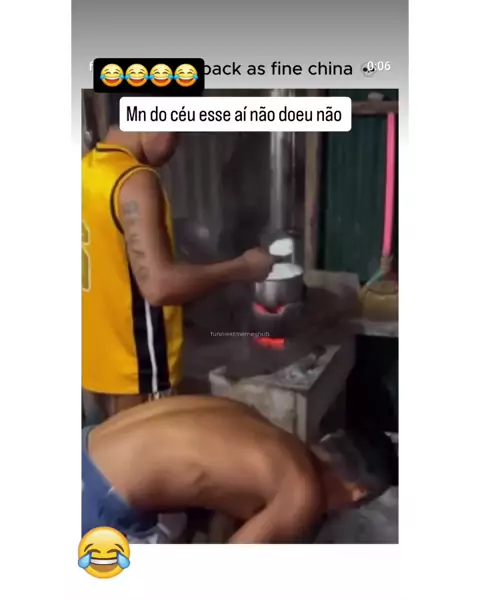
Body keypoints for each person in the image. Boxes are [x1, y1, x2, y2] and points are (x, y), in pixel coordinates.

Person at [82, 95, 274, 422]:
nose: (177, 143)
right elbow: (159, 287)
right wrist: (242, 267)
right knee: (150, 454)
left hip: (95, 365)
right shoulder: (135, 180)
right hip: (138, 373)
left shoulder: (88, 169)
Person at [82, 395, 375, 544]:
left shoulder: (262, 427)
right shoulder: (302, 491)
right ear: (357, 493)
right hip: (101, 499)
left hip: (87, 444)